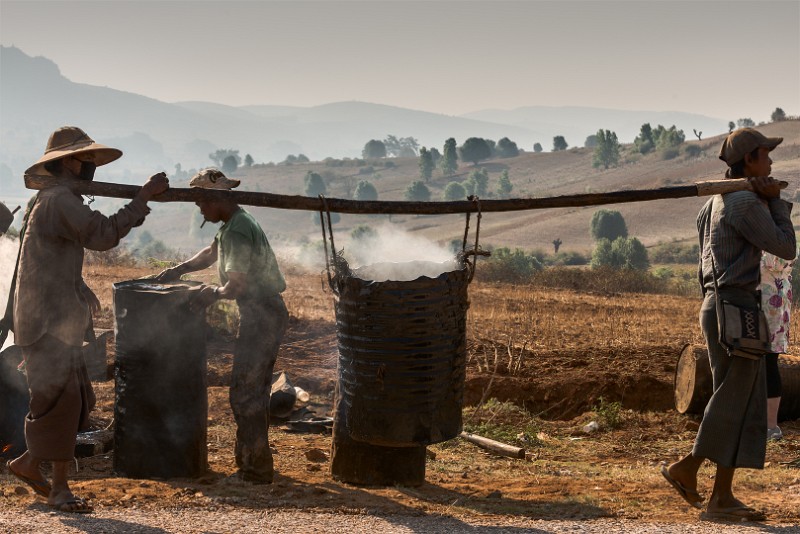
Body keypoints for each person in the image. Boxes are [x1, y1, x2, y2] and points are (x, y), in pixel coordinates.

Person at [4, 126, 169, 513]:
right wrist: (142, 197)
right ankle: (59, 488)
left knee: (69, 401)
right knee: (61, 403)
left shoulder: (52, 199)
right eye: (84, 159)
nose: (90, 166)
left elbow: (50, 259)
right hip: (47, 322)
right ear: (65, 163)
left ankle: (28, 463)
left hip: (52, 319)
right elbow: (103, 234)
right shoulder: (60, 200)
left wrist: (77, 286)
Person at [661, 128, 796, 521]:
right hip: (735, 306)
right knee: (734, 398)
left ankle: (721, 497)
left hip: (719, 304)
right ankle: (686, 467)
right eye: (766, 155)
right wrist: (775, 205)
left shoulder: (715, 203)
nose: (771, 163)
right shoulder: (746, 204)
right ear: (751, 160)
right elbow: (786, 249)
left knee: (743, 399)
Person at [156, 168, 288, 484]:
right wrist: (178, 270)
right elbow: (212, 253)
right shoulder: (234, 224)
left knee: (246, 392)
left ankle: (254, 472)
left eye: (202, 202)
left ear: (216, 198)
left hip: (261, 314)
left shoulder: (239, 230)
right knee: (252, 390)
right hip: (263, 312)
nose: (200, 209)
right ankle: (254, 462)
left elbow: (237, 285)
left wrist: (209, 295)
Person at [760, 251, 794, 441]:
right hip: (766, 302)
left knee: (769, 362)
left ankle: (771, 426)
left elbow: (775, 262)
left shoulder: (780, 237)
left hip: (773, 307)